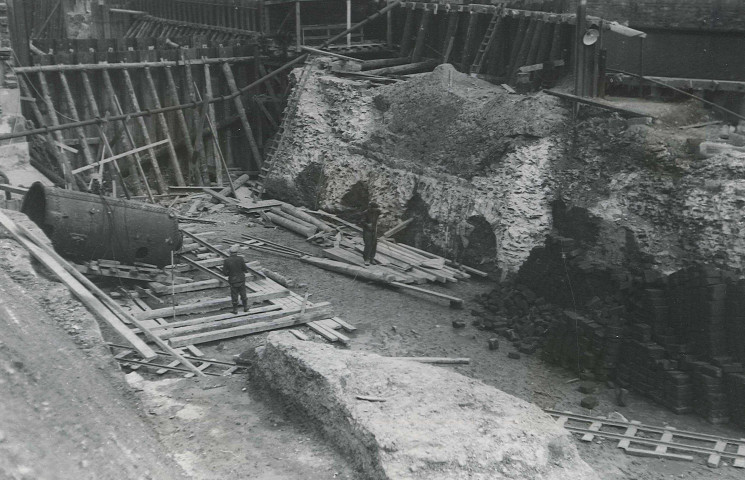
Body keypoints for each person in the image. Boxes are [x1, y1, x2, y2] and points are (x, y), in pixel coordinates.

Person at [223, 244, 249, 314]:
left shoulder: (227, 261)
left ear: (230, 252)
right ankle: (245, 307)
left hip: (233, 280)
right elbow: (245, 269)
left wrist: (230, 273)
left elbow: (225, 273)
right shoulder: (241, 259)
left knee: (234, 294)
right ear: (237, 252)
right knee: (243, 293)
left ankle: (235, 310)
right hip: (241, 279)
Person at [361, 201, 382, 266]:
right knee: (368, 244)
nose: (369, 208)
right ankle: (366, 259)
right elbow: (362, 221)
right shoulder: (365, 213)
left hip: (374, 230)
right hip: (367, 231)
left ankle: (372, 258)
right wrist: (367, 225)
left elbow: (381, 212)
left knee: (374, 244)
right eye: (369, 207)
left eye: (376, 208)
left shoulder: (377, 211)